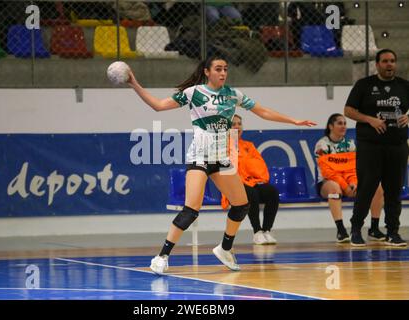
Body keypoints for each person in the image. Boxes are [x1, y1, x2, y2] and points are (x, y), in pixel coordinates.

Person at [127, 56, 316, 274]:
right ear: (207, 72)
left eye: (225, 69)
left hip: (221, 159)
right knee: (191, 210)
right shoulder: (194, 93)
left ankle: (225, 248)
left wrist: (293, 121)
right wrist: (134, 84)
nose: (223, 73)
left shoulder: (233, 95)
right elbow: (158, 106)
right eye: (218, 69)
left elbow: (262, 111)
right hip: (199, 158)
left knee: (241, 204)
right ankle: (162, 256)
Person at [344, 49, 409, 247]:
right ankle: (356, 229)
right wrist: (370, 120)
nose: (389, 64)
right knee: (366, 188)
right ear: (377, 64)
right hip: (370, 146)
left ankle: (393, 232)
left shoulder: (404, 86)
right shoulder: (364, 85)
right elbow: (348, 111)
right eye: (385, 61)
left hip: (397, 145)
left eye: (392, 61)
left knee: (393, 190)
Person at [314, 113, 385, 244]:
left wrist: (353, 183)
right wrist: (345, 187)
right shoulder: (322, 145)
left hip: (349, 181)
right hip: (327, 182)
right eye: (339, 123)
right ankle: (341, 230)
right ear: (331, 126)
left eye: (345, 123)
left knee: (378, 187)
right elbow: (329, 172)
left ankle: (374, 228)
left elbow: (353, 169)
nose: (343, 126)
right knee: (335, 189)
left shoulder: (350, 144)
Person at [221, 114, 280, 245]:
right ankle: (257, 232)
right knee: (250, 193)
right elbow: (226, 170)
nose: (237, 126)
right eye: (233, 124)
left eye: (239, 124)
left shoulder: (248, 145)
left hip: (250, 181)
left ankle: (266, 231)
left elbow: (259, 166)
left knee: (272, 192)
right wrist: (246, 166)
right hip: (232, 185)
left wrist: (249, 171)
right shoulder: (222, 146)